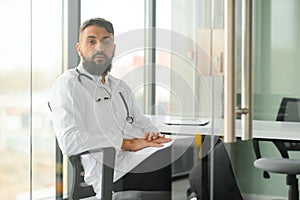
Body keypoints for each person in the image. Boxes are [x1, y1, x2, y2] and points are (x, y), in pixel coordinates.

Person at [50, 17, 172, 198]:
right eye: (91, 41)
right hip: (112, 173)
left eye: (106, 41)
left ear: (113, 49)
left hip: (140, 159)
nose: (99, 47)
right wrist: (127, 143)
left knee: (194, 157)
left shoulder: (119, 86)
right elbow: (69, 141)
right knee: (191, 171)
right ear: (79, 48)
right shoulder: (68, 84)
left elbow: (141, 122)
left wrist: (151, 135)